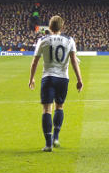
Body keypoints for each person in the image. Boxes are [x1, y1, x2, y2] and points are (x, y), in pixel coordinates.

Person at [28, 15, 83, 151]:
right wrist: (79, 79)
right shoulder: (69, 40)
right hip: (63, 78)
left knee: (47, 109)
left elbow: (35, 61)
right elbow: (74, 61)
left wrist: (31, 78)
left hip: (48, 77)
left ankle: (48, 144)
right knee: (60, 107)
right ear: (62, 27)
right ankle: (56, 138)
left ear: (49, 26)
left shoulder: (43, 40)